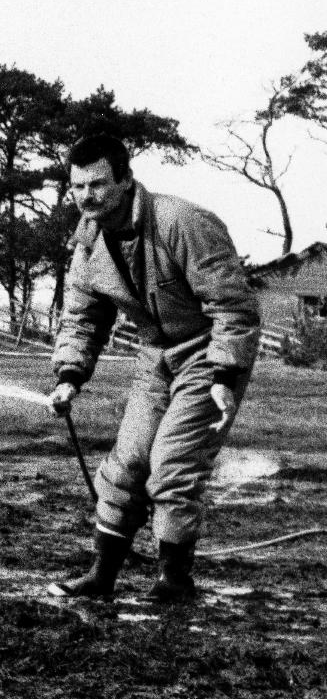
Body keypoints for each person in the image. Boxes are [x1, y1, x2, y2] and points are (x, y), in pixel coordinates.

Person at [46, 134, 260, 602]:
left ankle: (174, 583)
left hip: (206, 356)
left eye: (98, 184)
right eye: (78, 186)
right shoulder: (87, 241)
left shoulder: (182, 222)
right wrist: (69, 377)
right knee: (126, 465)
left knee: (171, 465)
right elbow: (82, 317)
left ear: (125, 179)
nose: (87, 196)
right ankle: (101, 577)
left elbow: (233, 307)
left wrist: (225, 375)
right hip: (154, 358)